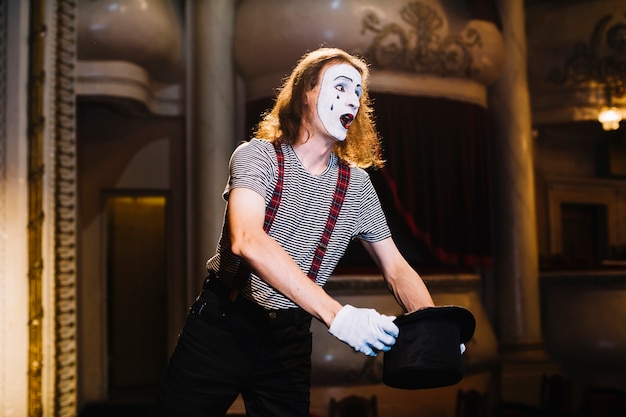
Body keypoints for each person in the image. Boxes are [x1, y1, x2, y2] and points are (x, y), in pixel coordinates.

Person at [155, 47, 436, 417]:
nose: (351, 98)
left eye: (357, 92)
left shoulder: (356, 186)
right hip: (224, 323)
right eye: (340, 86)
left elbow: (396, 268)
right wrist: (338, 316)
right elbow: (247, 240)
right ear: (306, 91)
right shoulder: (257, 156)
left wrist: (433, 326)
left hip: (289, 339)